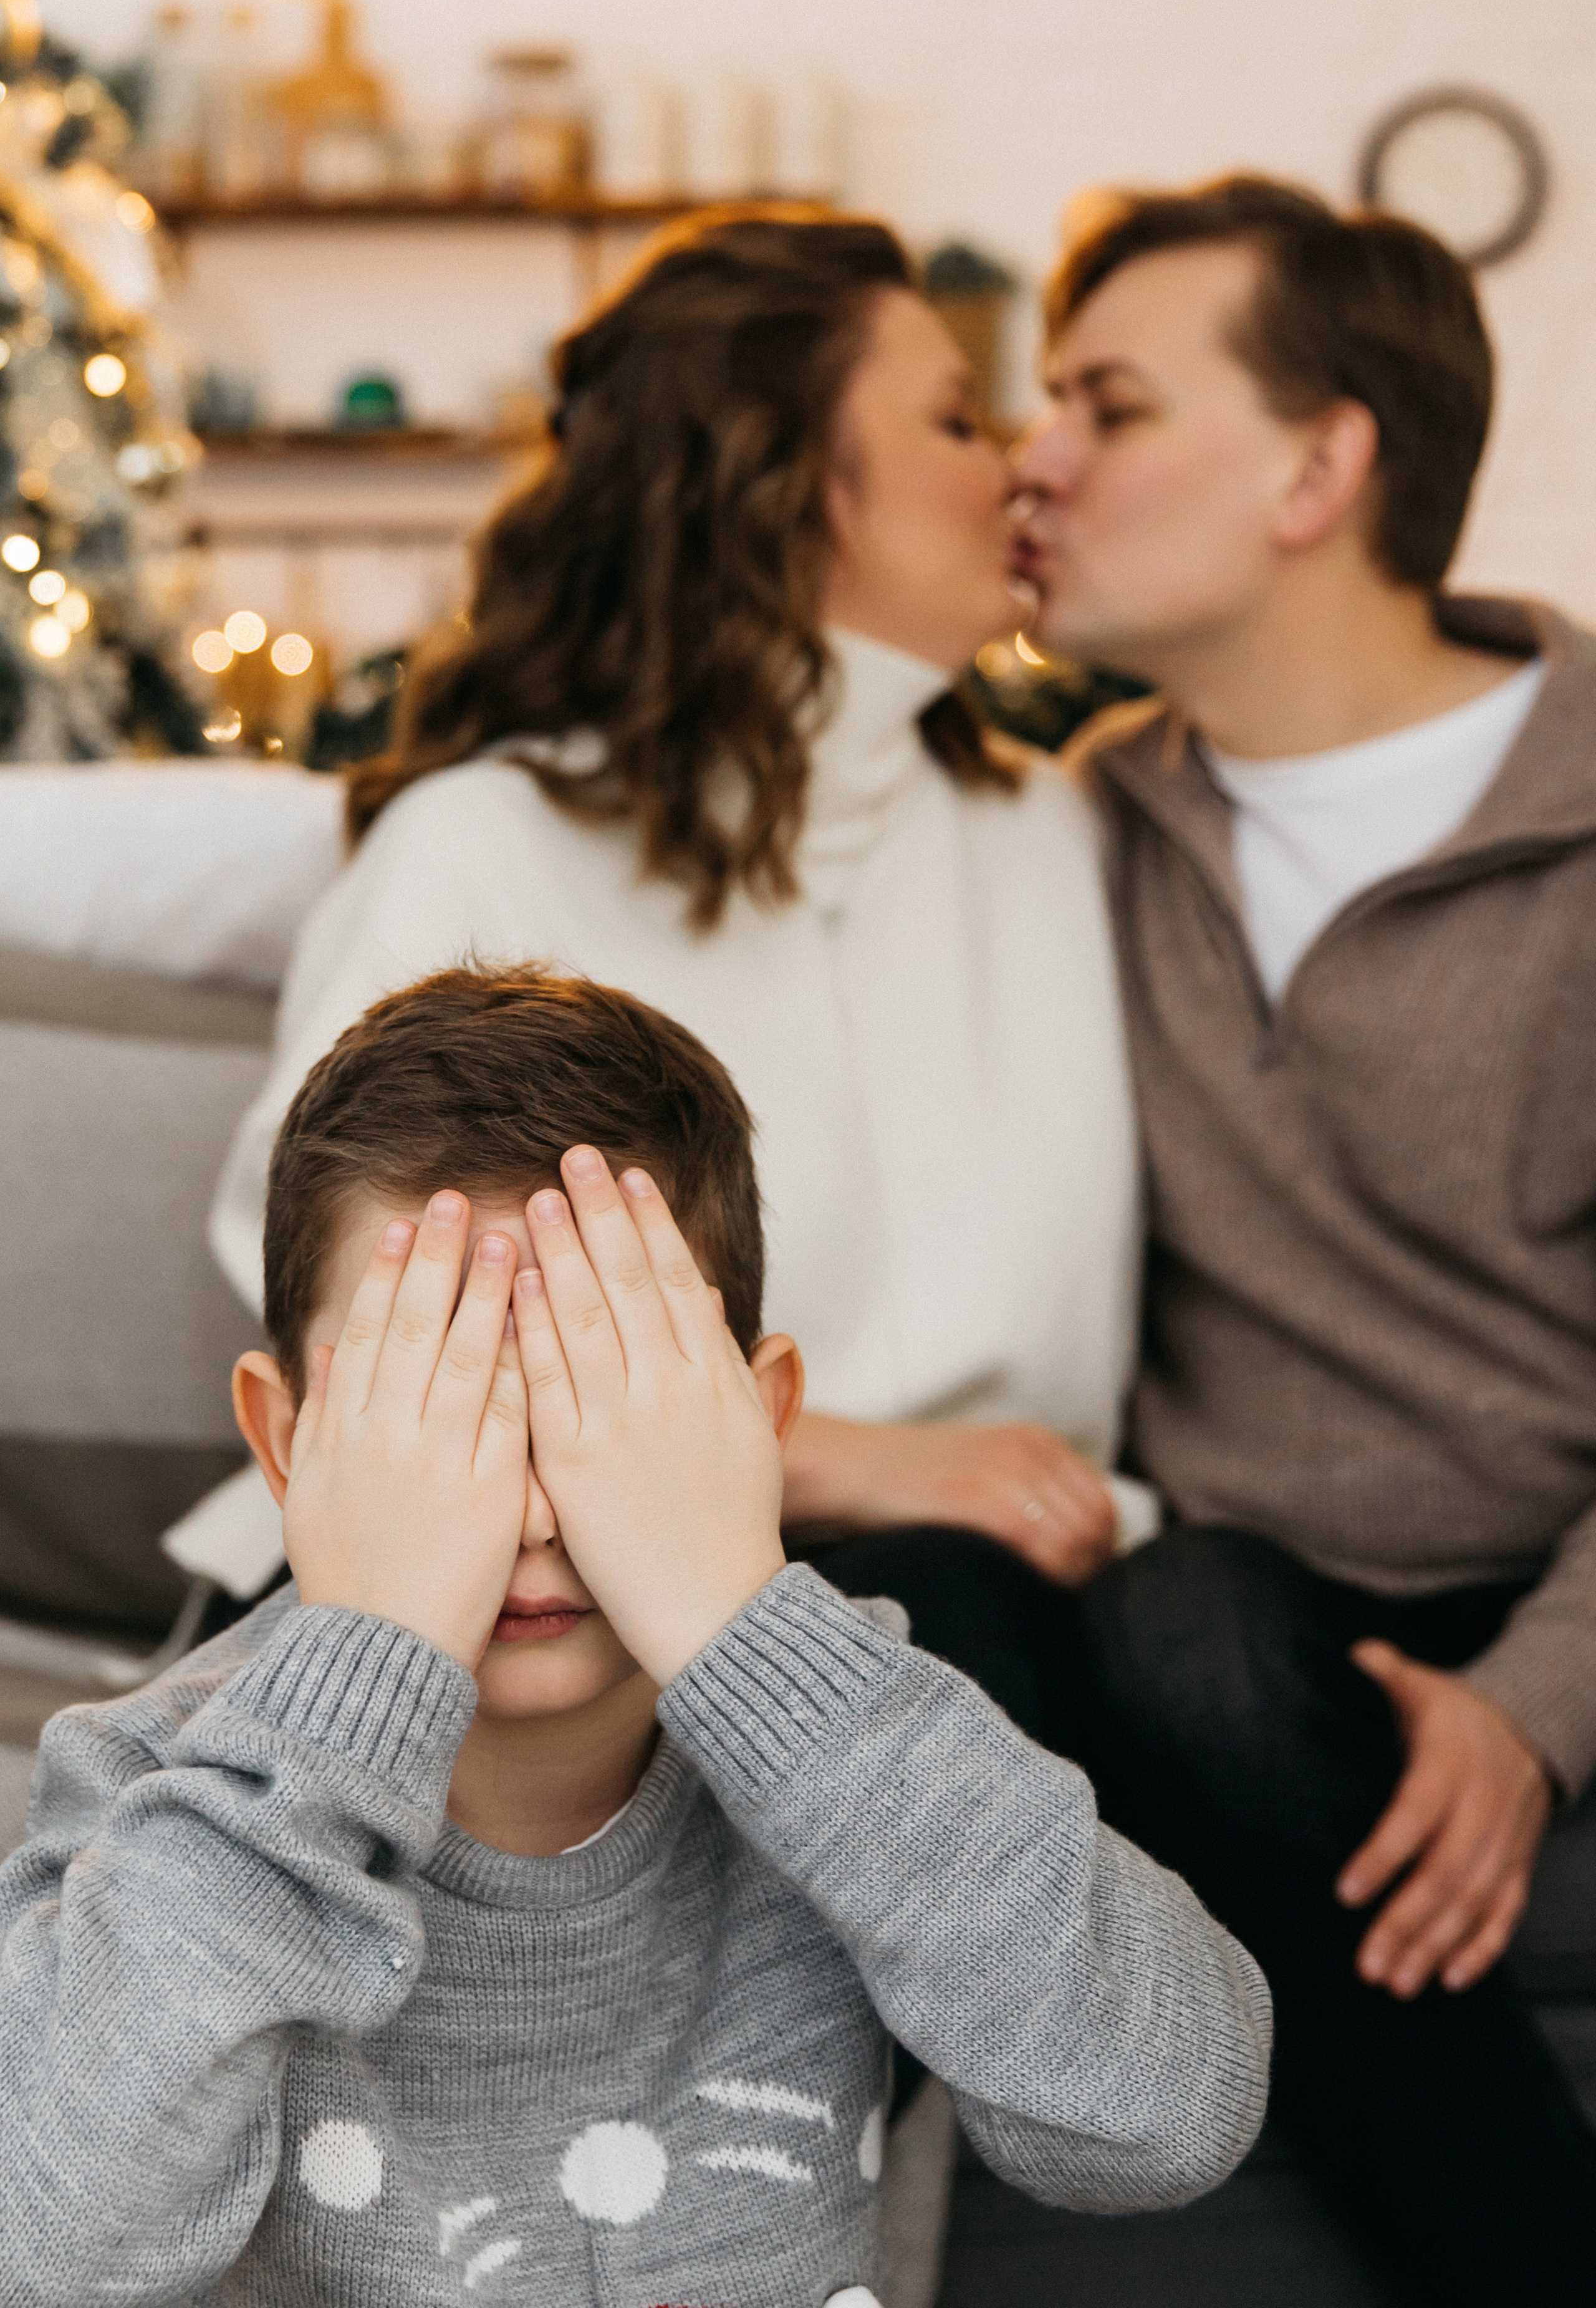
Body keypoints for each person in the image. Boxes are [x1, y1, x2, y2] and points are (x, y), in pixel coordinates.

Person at [0, 963, 1272, 2307]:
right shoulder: (168, 1794)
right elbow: (42, 2249)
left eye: (601, 1407)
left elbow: (1164, 2117)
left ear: (754, 1423)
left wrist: (734, 1609)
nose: (537, 1512)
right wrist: (361, 1660)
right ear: (288, 1441)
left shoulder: (845, 1741)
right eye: (446, 1410)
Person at [209, 207, 1145, 1617]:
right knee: (942, 1615)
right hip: (550, 1553)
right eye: (957, 421)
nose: (1013, 466)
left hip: (1034, 1564)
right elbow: (350, 1284)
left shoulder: (1047, 830)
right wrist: (835, 1462)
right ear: (783, 484)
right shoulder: (488, 836)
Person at [1004, 173, 1596, 2305]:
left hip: (1566, 1550)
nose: (1034, 462)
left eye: (1108, 405)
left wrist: (1534, 1706)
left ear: (1324, 465)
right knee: (1167, 1625)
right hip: (1251, 1607)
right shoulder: (1071, 818)